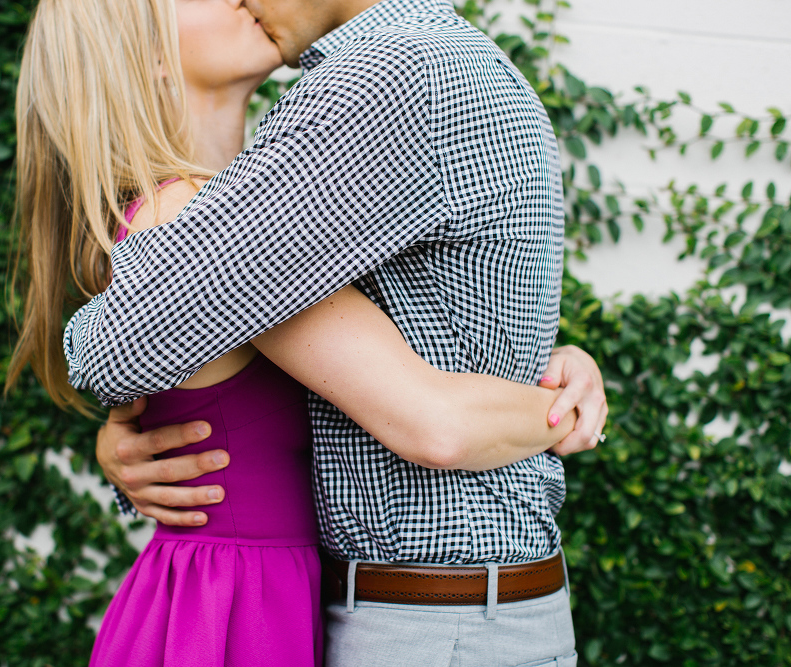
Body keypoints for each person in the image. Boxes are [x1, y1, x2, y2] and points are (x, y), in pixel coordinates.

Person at [62, 0, 609, 665]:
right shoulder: (444, 57)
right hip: (433, 613)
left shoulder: (389, 74)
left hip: (435, 624)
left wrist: (563, 406)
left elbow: (122, 345)